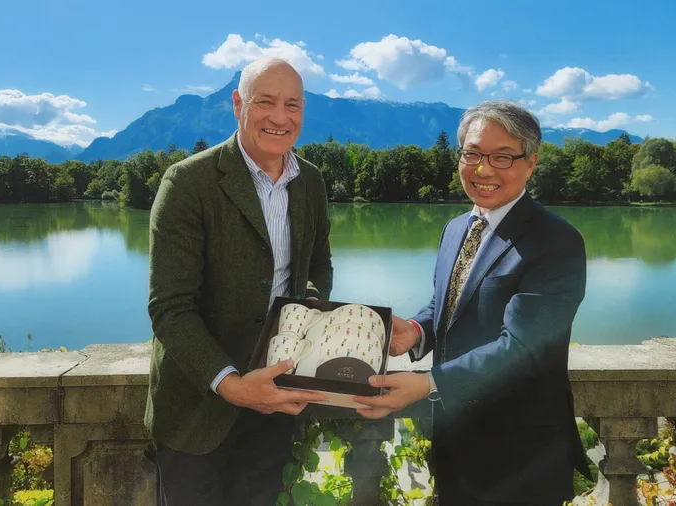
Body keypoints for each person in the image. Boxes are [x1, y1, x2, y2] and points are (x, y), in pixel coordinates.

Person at [354, 101, 592, 504]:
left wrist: (428, 383)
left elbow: (523, 349)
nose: (484, 170)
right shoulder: (456, 228)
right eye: (473, 154)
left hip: (521, 458)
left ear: (530, 164)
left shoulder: (556, 242)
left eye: (502, 157)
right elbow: (449, 304)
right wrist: (414, 332)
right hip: (454, 445)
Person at [144, 57, 332, 506]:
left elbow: (317, 270)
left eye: (293, 105)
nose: (280, 117)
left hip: (275, 403)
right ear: (237, 104)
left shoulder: (311, 182)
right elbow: (170, 307)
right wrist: (231, 383)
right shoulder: (188, 181)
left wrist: (304, 316)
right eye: (265, 102)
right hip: (197, 411)